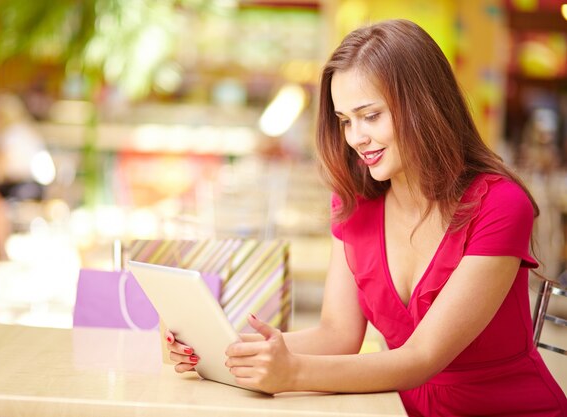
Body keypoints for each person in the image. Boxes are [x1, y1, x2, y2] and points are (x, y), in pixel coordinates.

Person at [165, 19, 567, 416]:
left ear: (423, 105)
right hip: (395, 406)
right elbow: (336, 335)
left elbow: (422, 357)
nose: (355, 137)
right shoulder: (355, 203)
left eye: (370, 115)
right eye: (345, 121)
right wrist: (221, 348)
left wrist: (293, 372)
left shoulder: (499, 205)